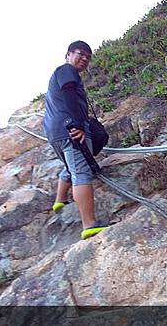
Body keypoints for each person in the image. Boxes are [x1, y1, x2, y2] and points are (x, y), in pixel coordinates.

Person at [43, 40, 107, 240]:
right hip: (70, 129)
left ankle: (60, 200)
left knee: (71, 166)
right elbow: (69, 94)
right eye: (80, 54)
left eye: (88, 57)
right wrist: (78, 125)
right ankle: (89, 225)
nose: (84, 59)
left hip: (56, 133)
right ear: (68, 54)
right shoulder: (66, 70)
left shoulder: (60, 75)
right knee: (81, 172)